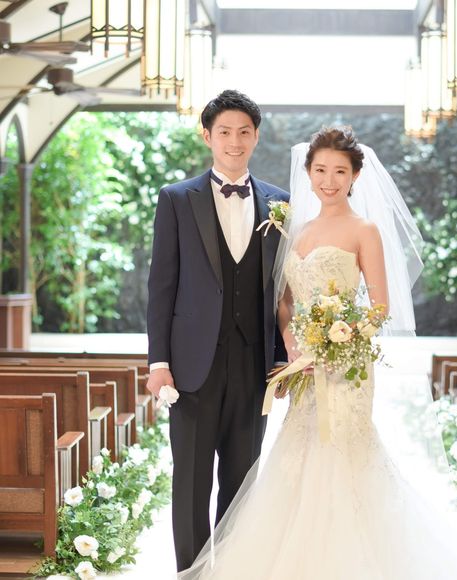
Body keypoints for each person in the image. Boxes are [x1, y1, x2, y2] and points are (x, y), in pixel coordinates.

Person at [178, 127, 457, 580]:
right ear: (308, 172)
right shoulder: (296, 228)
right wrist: (294, 345)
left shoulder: (364, 230)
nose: (329, 180)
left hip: (345, 367)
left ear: (355, 175)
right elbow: (284, 301)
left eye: (340, 171)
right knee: (299, 454)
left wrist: (339, 343)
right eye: (320, 170)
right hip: (305, 369)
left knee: (342, 454)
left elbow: (380, 307)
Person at [146, 89, 289, 573]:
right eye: (224, 131)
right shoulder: (176, 198)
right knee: (190, 480)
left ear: (256, 136)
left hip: (254, 365)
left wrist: (283, 358)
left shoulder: (280, 203)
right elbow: (161, 286)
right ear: (207, 136)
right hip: (191, 366)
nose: (235, 141)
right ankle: (191, 572)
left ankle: (232, 570)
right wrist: (159, 363)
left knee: (242, 480)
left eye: (244, 132)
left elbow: (282, 289)